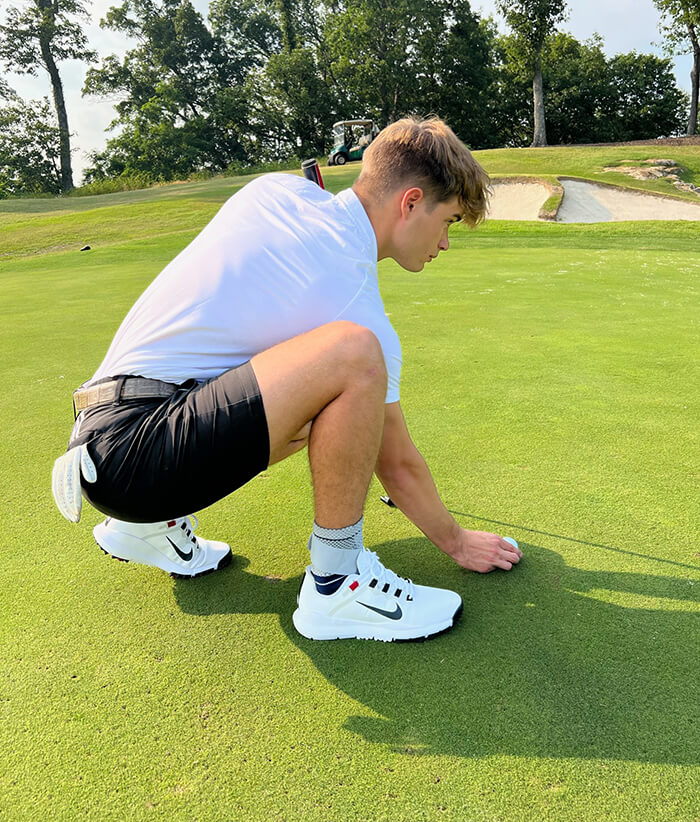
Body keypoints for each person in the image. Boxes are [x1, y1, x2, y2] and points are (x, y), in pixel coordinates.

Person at [52, 116, 522, 643]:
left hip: (102, 439)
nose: (446, 243)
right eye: (449, 221)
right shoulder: (354, 301)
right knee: (355, 355)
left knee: (314, 406)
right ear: (410, 202)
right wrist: (458, 543)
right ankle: (335, 583)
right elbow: (397, 464)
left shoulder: (274, 190)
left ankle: (143, 527)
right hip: (138, 456)